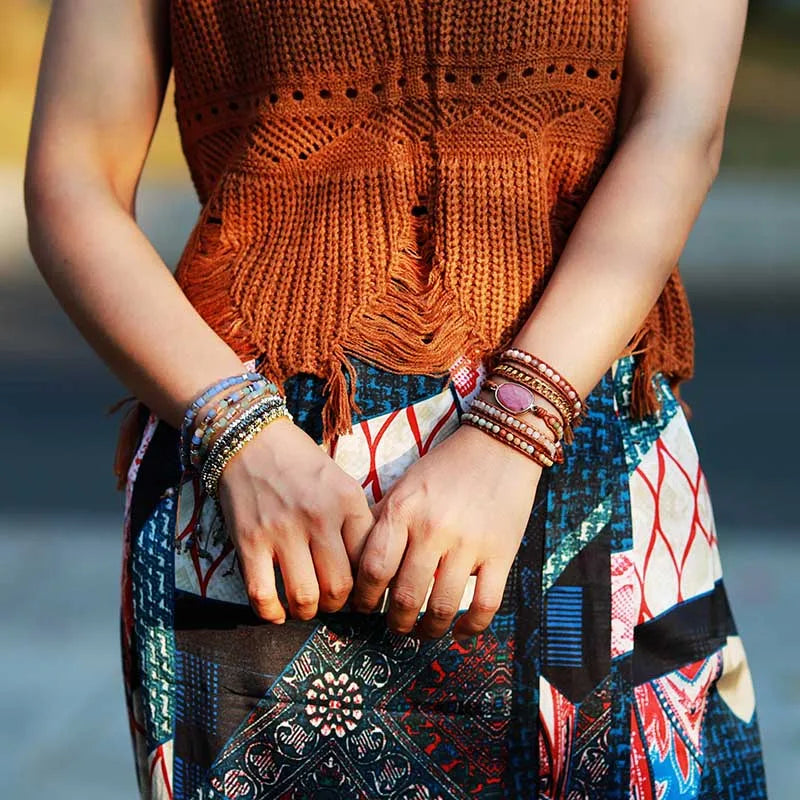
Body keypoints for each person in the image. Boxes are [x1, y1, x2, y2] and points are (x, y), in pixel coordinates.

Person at [25, 0, 767, 797]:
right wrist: (240, 433)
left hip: (582, 453)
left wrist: (514, 428)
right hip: (268, 504)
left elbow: (680, 124)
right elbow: (74, 177)